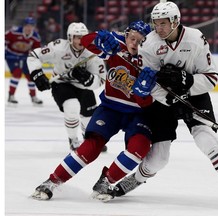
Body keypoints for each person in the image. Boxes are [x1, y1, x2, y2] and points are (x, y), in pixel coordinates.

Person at [99, 2, 218, 208]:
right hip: (164, 101)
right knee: (159, 159)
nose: (159, 28)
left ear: (176, 21)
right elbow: (149, 83)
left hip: (194, 96)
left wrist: (188, 83)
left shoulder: (196, 39)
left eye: (163, 23)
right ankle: (135, 179)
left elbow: (211, 78)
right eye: (156, 23)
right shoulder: (149, 44)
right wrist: (170, 99)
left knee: (206, 139)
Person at [31, 21, 154, 201]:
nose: (134, 44)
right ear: (125, 36)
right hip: (110, 107)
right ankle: (53, 181)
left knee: (139, 148)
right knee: (91, 145)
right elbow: (87, 42)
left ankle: (106, 180)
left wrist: (143, 94)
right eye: (132, 38)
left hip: (139, 112)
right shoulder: (116, 44)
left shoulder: (153, 57)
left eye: (140, 41)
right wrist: (98, 38)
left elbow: (151, 99)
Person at [27, 22, 107, 151]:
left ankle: (89, 138)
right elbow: (34, 55)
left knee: (89, 117)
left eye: (83, 36)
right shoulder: (58, 47)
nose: (80, 40)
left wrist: (88, 79)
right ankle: (73, 139)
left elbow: (101, 80)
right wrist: (37, 75)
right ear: (70, 37)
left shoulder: (93, 52)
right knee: (72, 107)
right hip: (61, 84)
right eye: (77, 37)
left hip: (82, 87)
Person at [5, 17, 43, 105]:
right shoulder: (14, 31)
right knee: (17, 73)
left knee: (30, 77)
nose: (29, 28)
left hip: (25, 57)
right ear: (23, 26)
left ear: (34, 27)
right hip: (12, 55)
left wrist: (35, 56)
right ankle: (11, 95)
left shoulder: (36, 37)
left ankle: (33, 96)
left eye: (31, 26)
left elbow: (37, 50)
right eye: (27, 26)